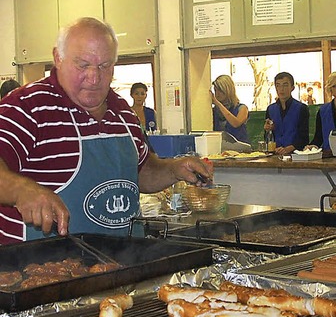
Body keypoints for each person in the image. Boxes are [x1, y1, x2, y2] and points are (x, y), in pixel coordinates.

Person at [0, 17, 211, 245]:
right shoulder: (27, 107)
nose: (94, 77)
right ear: (57, 58)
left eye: (104, 66)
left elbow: (139, 174)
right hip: (42, 270)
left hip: (121, 263)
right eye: (82, 65)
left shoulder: (123, 111)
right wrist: (22, 191)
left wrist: (174, 169)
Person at [264, 72, 309, 155]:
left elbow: (304, 137)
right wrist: (268, 129)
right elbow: (268, 137)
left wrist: (290, 148)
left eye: (285, 85)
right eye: (278, 85)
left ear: (292, 88)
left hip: (296, 154)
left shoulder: (301, 108)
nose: (281, 89)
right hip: (275, 153)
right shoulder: (270, 109)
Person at [211, 74, 249, 143]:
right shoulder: (214, 111)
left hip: (240, 149)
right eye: (215, 90)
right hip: (221, 149)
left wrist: (218, 104)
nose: (217, 94)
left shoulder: (242, 108)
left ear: (228, 90)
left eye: (220, 91)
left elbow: (236, 123)